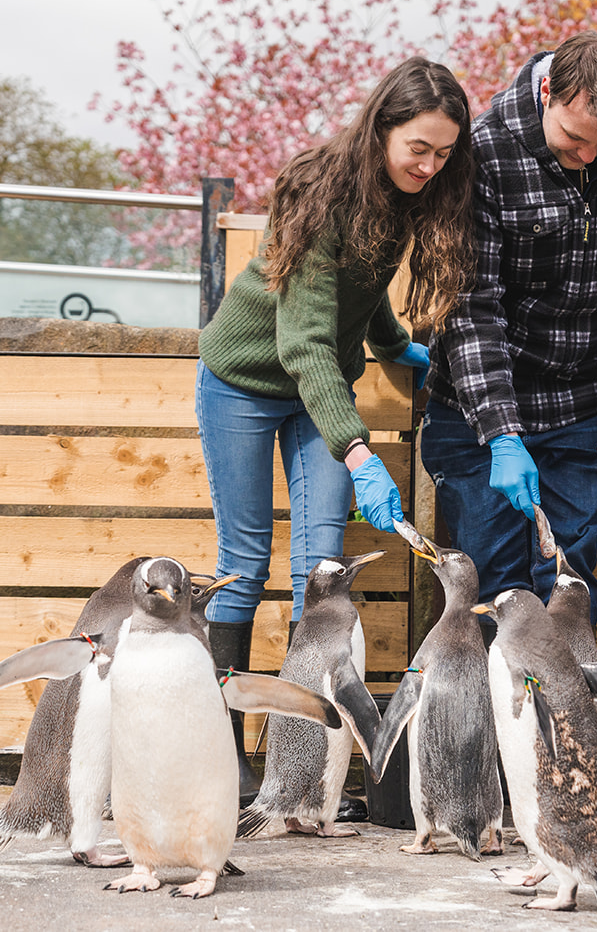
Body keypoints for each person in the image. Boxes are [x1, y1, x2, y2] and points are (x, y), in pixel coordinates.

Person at [195, 56, 475, 800]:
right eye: (418, 146)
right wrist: (360, 452)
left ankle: (297, 763)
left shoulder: (404, 198)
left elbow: (362, 287)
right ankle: (224, 750)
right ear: (381, 127)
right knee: (245, 560)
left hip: (316, 388)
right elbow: (305, 342)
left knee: (319, 570)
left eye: (444, 152)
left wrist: (390, 345)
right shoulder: (320, 192)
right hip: (247, 383)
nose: (430, 164)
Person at [423, 31, 597, 623]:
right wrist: (502, 433)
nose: (589, 157)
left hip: (586, 405)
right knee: (492, 592)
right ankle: (493, 720)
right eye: (575, 138)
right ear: (548, 92)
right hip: (479, 415)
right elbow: (471, 307)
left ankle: (568, 718)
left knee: (567, 588)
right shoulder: (485, 151)